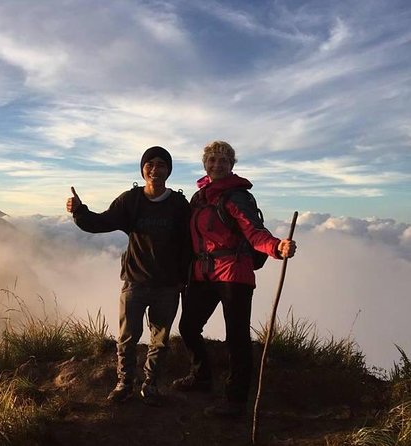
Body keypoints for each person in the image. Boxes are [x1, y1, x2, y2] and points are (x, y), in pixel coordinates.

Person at [173, 140, 297, 417]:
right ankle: (202, 376)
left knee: (237, 337)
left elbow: (254, 232)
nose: (217, 164)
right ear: (205, 163)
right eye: (212, 160)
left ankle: (236, 400)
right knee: (189, 326)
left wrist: (276, 247)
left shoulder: (236, 196)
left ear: (232, 165)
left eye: (223, 160)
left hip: (234, 273)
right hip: (203, 273)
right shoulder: (201, 197)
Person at [66, 146, 191, 405]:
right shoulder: (131, 200)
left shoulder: (179, 204)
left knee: (160, 340)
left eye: (161, 164)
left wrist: (183, 279)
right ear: (143, 169)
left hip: (168, 285)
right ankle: (124, 383)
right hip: (135, 281)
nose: (155, 169)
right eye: (150, 164)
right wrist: (79, 211)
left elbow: (188, 243)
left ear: (169, 170)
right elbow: (100, 223)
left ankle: (151, 384)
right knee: (127, 337)